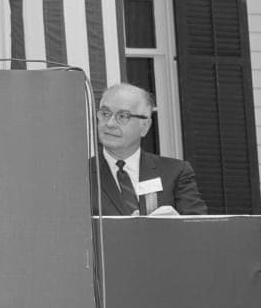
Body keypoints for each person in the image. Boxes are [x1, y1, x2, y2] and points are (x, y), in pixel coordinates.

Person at [89, 83, 208, 217]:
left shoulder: (175, 173)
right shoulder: (78, 176)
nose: (110, 124)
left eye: (122, 116)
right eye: (105, 114)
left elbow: (201, 230)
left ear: (145, 126)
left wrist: (176, 225)